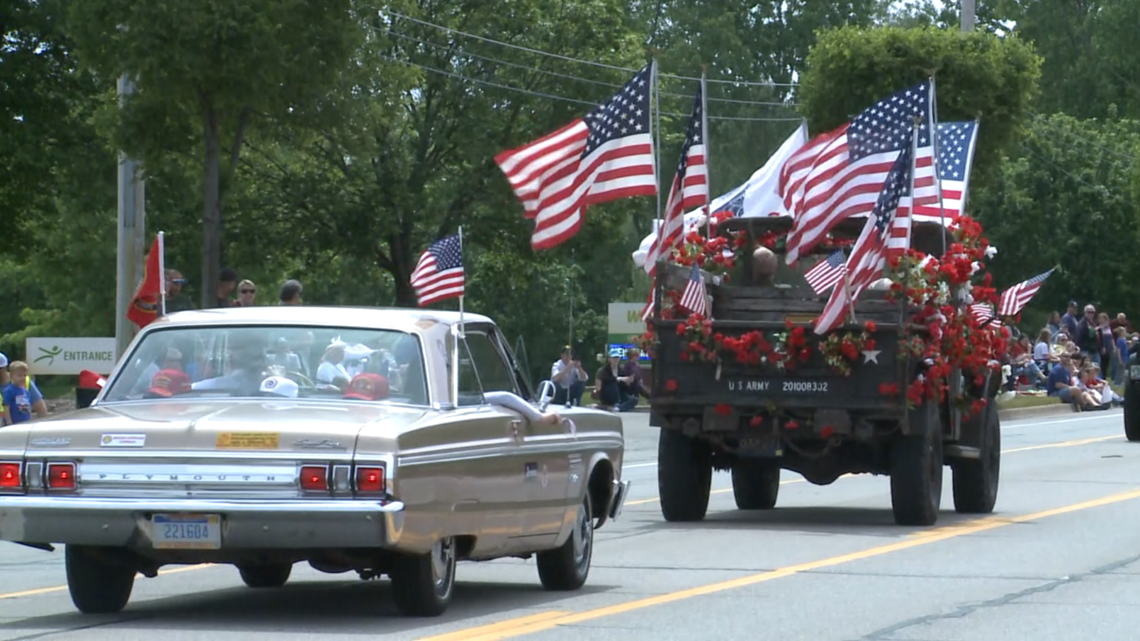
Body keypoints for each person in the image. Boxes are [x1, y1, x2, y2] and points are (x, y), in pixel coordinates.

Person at [593, 347, 637, 412]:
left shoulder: (621, 370)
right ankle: (616, 404)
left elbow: (624, 387)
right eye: (614, 358)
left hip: (620, 393)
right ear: (609, 359)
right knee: (613, 383)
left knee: (634, 399)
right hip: (607, 394)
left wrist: (627, 383)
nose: (616, 360)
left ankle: (618, 408)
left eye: (617, 357)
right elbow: (601, 385)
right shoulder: (603, 371)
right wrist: (619, 379)